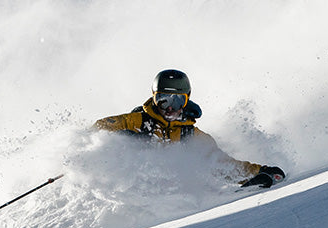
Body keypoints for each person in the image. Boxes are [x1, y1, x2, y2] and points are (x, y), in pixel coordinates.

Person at [93, 69, 286, 188]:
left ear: (187, 100)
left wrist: (260, 171)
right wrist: (122, 138)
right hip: (131, 189)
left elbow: (221, 165)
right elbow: (98, 128)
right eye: (163, 100)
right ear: (154, 98)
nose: (170, 108)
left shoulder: (191, 135)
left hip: (172, 195)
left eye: (178, 101)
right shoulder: (138, 121)